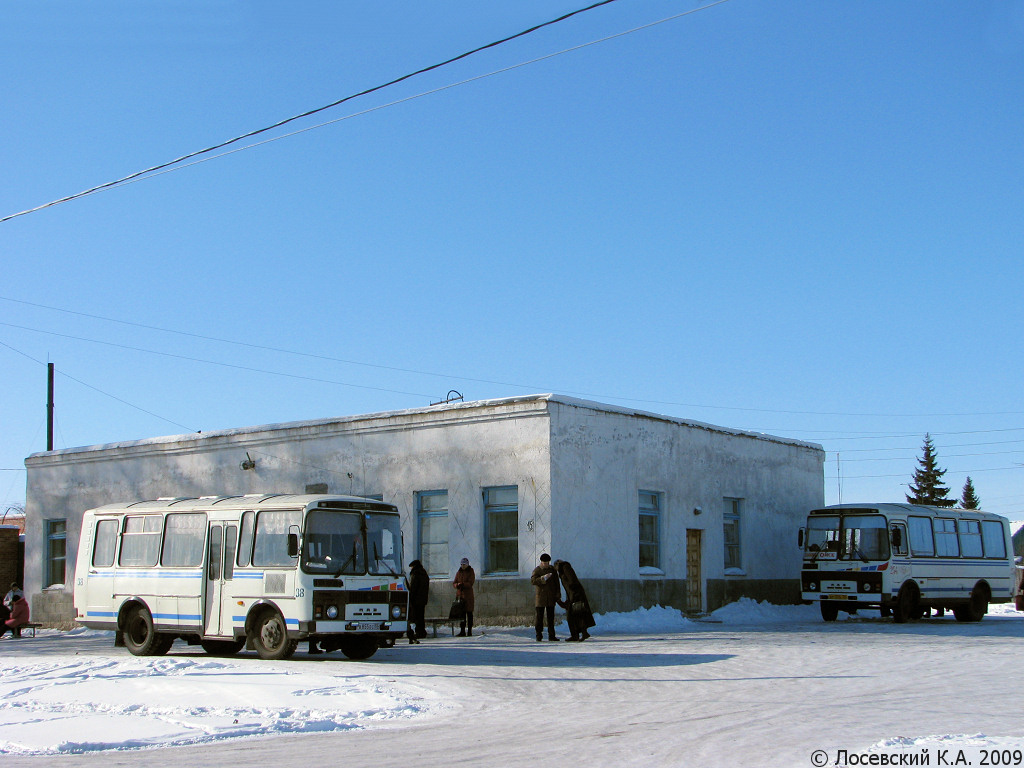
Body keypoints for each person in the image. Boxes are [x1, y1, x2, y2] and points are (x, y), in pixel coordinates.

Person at [554, 560, 595, 641]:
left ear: (557, 565)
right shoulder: (563, 569)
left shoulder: (565, 567)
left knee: (574, 615)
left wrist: (573, 595)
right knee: (577, 614)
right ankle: (581, 633)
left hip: (576, 594)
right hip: (572, 594)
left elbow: (572, 580)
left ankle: (578, 634)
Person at [531, 553, 561, 641]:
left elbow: (557, 583)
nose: (546, 564)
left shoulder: (552, 570)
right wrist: (543, 578)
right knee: (539, 617)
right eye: (545, 563)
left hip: (551, 597)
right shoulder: (537, 570)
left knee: (551, 618)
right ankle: (538, 635)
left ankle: (552, 635)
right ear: (541, 562)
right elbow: (533, 581)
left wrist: (558, 594)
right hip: (540, 597)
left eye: (548, 563)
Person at [407, 559, 429, 643]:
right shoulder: (423, 573)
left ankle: (420, 632)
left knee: (417, 616)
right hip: (422, 598)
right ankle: (421, 631)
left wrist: (411, 596)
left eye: (411, 567)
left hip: (416, 599)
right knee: (421, 616)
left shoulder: (416, 574)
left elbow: (413, 587)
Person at [453, 557, 475, 636]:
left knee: (469, 614)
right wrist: (457, 585)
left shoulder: (471, 571)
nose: (462, 566)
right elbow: (454, 582)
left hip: (468, 596)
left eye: (464, 564)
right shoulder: (459, 572)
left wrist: (463, 584)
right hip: (460, 596)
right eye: (461, 564)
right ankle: (462, 630)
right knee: (462, 614)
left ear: (467, 564)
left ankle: (469, 631)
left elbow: (471, 582)